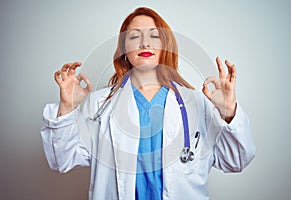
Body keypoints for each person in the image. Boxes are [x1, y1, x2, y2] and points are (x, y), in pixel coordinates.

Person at [41, 7, 255, 200]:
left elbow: (235, 160)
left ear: (165, 46)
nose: (145, 43)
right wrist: (67, 106)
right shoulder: (100, 104)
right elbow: (62, 160)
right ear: (124, 49)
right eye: (134, 37)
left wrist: (228, 112)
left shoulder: (195, 103)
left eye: (154, 36)